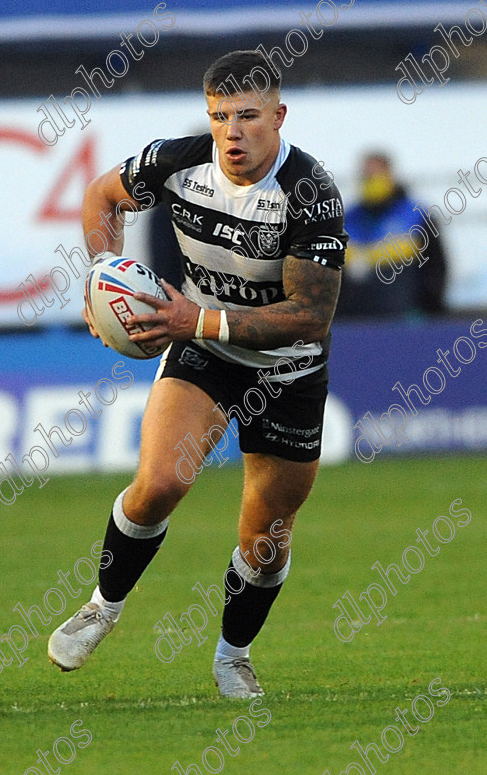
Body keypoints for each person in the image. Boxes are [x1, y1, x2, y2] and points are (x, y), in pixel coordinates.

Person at [47, 49, 348, 698]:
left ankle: (232, 655)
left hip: (287, 371)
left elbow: (309, 318)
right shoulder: (179, 162)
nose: (233, 132)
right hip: (203, 353)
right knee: (159, 483)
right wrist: (103, 278)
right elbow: (102, 194)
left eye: (247, 116)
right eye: (220, 117)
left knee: (265, 539)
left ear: (279, 115)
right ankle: (103, 604)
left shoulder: (311, 194)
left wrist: (196, 320)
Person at [335, 152, 447, 317]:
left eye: (375, 176)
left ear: (390, 175)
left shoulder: (416, 215)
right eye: (365, 177)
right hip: (354, 319)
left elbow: (436, 266)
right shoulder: (347, 219)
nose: (370, 181)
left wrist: (430, 308)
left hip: (404, 315)